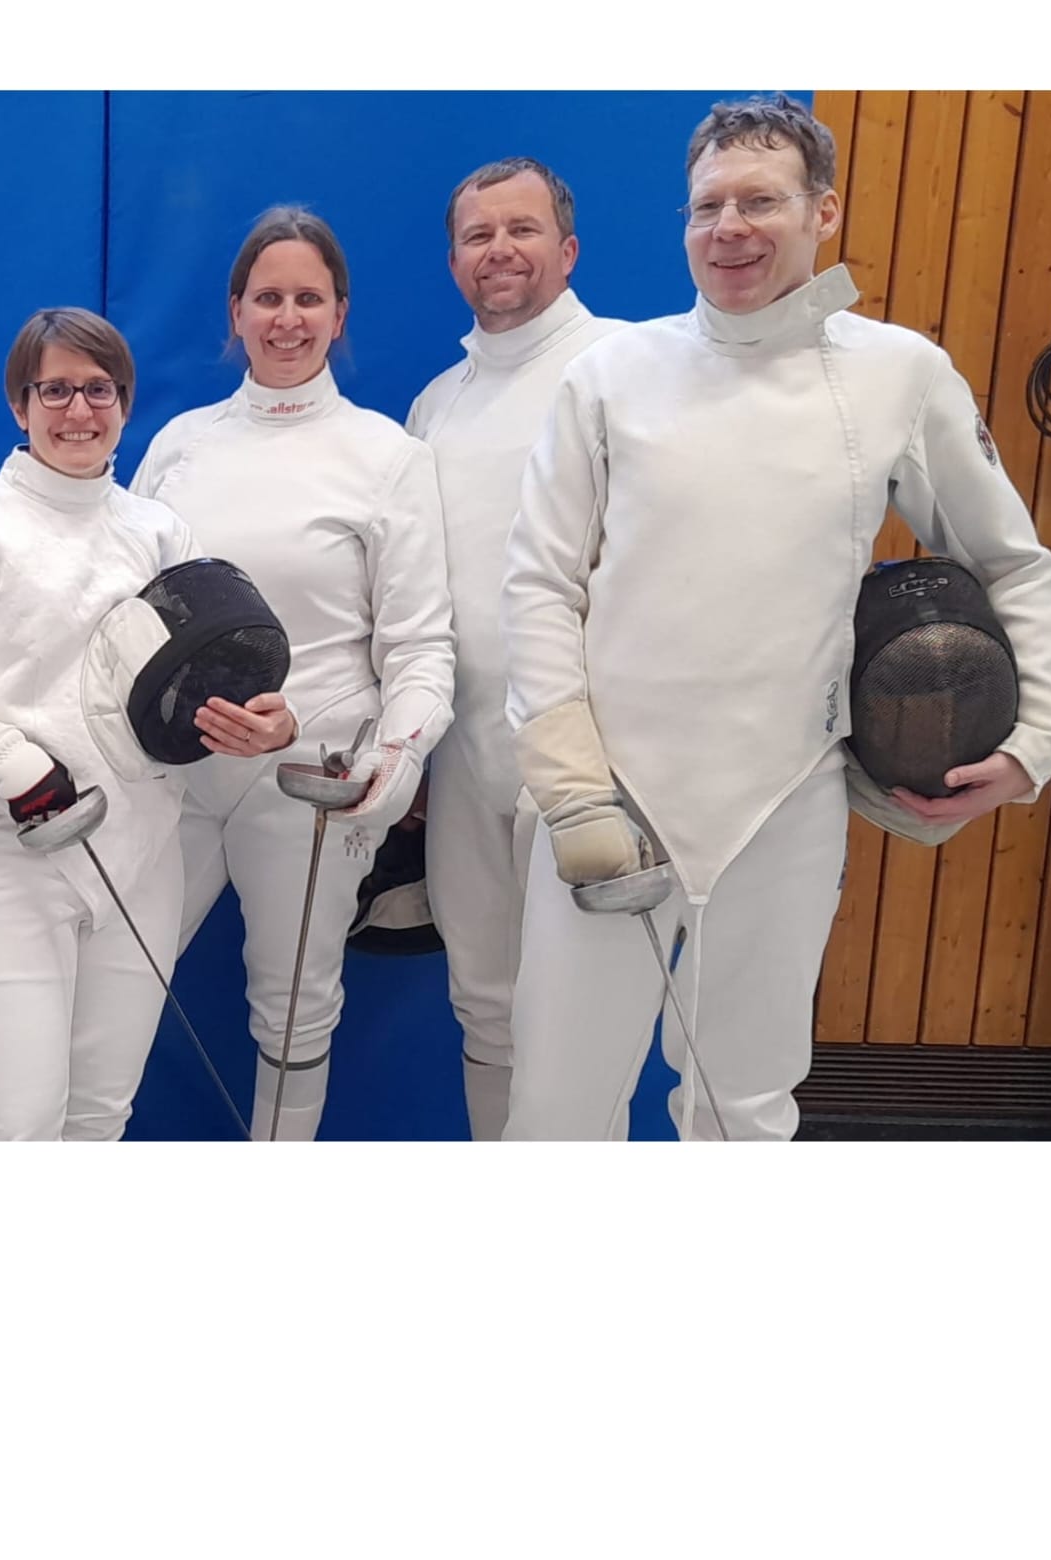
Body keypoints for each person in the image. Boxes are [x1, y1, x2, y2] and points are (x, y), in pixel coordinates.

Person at [502, 94, 1051, 1141]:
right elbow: (538, 584)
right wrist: (572, 790)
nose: (728, 228)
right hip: (611, 803)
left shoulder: (898, 374)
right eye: (706, 206)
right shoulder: (609, 378)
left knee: (744, 1112)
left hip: (783, 803)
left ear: (824, 211)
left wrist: (1033, 740)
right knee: (553, 1114)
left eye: (759, 201)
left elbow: (1008, 560)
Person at [0, 308, 295, 1141]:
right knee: (17, 1125)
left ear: (125, 403)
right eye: (55, 390)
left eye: (98, 390)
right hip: (13, 858)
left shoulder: (160, 534)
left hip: (145, 854)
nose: (78, 411)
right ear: (20, 405)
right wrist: (4, 752)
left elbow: (206, 680)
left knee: (100, 1117)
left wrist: (264, 723)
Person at [132, 207, 455, 1141]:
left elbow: (421, 647)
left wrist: (393, 761)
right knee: (115, 974)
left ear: (339, 314)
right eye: (267, 298)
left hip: (310, 779)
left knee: (294, 1007)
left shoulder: (387, 457)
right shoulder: (180, 445)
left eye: (308, 299)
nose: (286, 318)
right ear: (236, 311)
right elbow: (122, 618)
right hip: (175, 775)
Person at [406, 158, 627, 1141]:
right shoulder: (437, 403)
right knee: (484, 1002)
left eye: (521, 229)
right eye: (477, 235)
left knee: (583, 1018)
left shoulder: (628, 366)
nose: (498, 250)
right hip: (463, 756)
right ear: (454, 259)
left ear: (567, 249)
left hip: (591, 753)